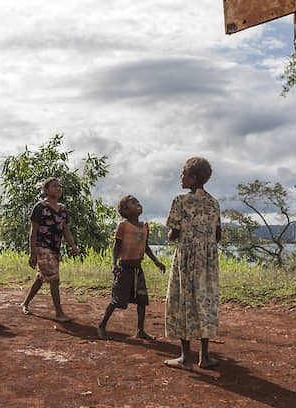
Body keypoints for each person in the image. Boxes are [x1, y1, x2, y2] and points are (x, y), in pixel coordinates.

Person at [164, 157, 221, 370]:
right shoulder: (214, 202)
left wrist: (175, 235)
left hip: (187, 257)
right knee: (205, 301)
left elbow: (174, 232)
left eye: (183, 174)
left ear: (193, 178)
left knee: (183, 301)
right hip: (208, 261)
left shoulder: (180, 200)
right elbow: (218, 234)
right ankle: (204, 357)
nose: (181, 177)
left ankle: (185, 357)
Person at [97, 195, 166, 340]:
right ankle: (102, 325)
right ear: (125, 210)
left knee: (141, 300)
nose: (138, 204)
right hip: (124, 269)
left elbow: (146, 247)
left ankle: (140, 330)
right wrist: (114, 264)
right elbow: (116, 246)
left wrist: (156, 261)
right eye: (133, 203)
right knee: (117, 299)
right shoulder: (123, 225)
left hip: (137, 270)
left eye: (138, 201)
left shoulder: (145, 226)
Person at [20, 177, 81, 322]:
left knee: (41, 278)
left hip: (55, 249)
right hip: (42, 247)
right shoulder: (40, 207)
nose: (58, 188)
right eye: (54, 186)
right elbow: (33, 231)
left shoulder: (63, 209)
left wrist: (73, 246)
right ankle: (59, 313)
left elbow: (66, 230)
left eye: (59, 186)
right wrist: (32, 253)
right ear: (46, 190)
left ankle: (25, 303)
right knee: (54, 279)